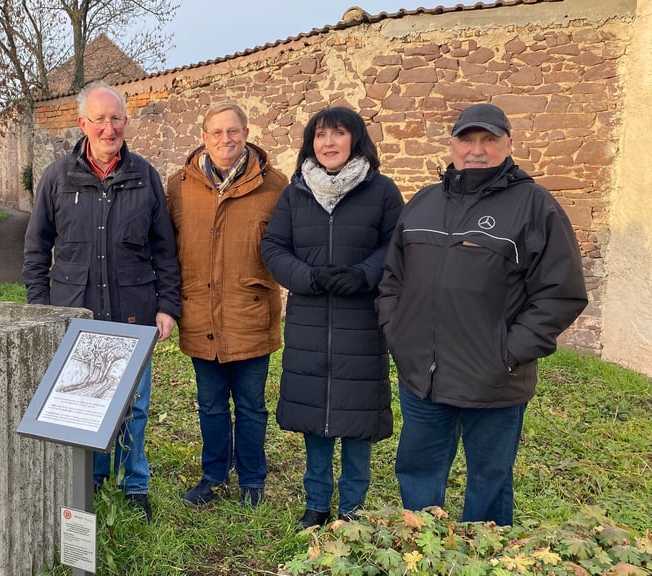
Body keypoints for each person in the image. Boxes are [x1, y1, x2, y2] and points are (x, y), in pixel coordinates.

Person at [377, 103, 588, 526]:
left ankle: (487, 558)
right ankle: (422, 553)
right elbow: (391, 279)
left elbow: (561, 294)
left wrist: (507, 353)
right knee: (417, 474)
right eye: (467, 139)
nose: (477, 150)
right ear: (452, 144)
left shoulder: (535, 205)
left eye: (489, 139)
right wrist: (396, 331)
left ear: (508, 143)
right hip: (424, 378)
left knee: (489, 482)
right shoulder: (423, 202)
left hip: (493, 379)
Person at [22, 81, 181, 522]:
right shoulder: (57, 177)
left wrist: (167, 305)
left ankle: (134, 484)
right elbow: (37, 249)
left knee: (136, 404)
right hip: (77, 313)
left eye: (115, 119)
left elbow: (164, 248)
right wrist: (42, 309)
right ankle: (91, 479)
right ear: (83, 124)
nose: (108, 128)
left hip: (134, 311)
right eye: (99, 119)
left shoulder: (145, 175)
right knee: (84, 403)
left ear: (126, 122)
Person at [261, 106, 404, 529]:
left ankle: (353, 510)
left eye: (338, 134)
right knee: (316, 422)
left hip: (360, 323)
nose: (328, 143)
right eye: (320, 135)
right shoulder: (296, 192)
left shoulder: (381, 191)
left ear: (354, 140)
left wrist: (362, 275)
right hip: (308, 324)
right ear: (311, 143)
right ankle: (316, 504)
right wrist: (307, 276)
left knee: (357, 423)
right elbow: (273, 247)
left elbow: (396, 246)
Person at [166, 102, 287, 509]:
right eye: (216, 133)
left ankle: (253, 478)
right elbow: (166, 249)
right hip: (200, 314)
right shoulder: (179, 186)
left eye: (233, 131)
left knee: (252, 406)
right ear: (203, 137)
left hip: (250, 314)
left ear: (247, 133)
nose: (225, 139)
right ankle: (214, 475)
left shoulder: (276, 186)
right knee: (212, 405)